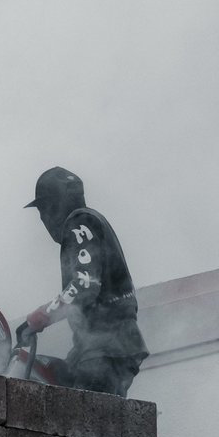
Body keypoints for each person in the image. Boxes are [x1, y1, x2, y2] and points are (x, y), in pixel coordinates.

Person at [27, 166, 146, 397]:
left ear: (55, 204)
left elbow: (84, 284)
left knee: (83, 419)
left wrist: (43, 314)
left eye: (44, 208)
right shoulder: (90, 221)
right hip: (104, 347)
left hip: (105, 349)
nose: (43, 218)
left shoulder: (79, 221)